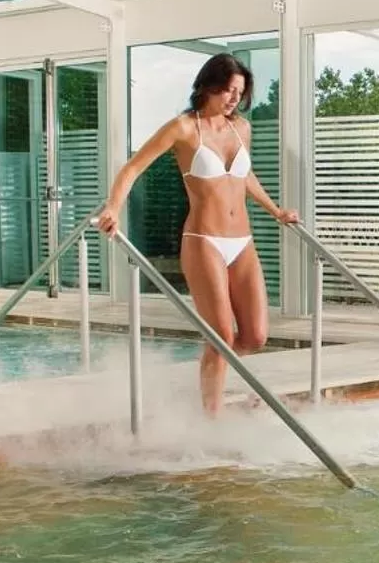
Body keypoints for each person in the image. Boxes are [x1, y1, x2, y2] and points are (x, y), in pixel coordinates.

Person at [96, 53, 298, 416]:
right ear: (209, 85)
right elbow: (132, 169)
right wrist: (113, 207)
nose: (234, 98)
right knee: (220, 335)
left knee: (255, 337)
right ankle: (210, 416)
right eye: (228, 90)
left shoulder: (242, 128)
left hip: (243, 241)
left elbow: (244, 177)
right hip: (204, 240)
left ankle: (210, 376)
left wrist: (277, 211)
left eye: (239, 91)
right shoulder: (184, 128)